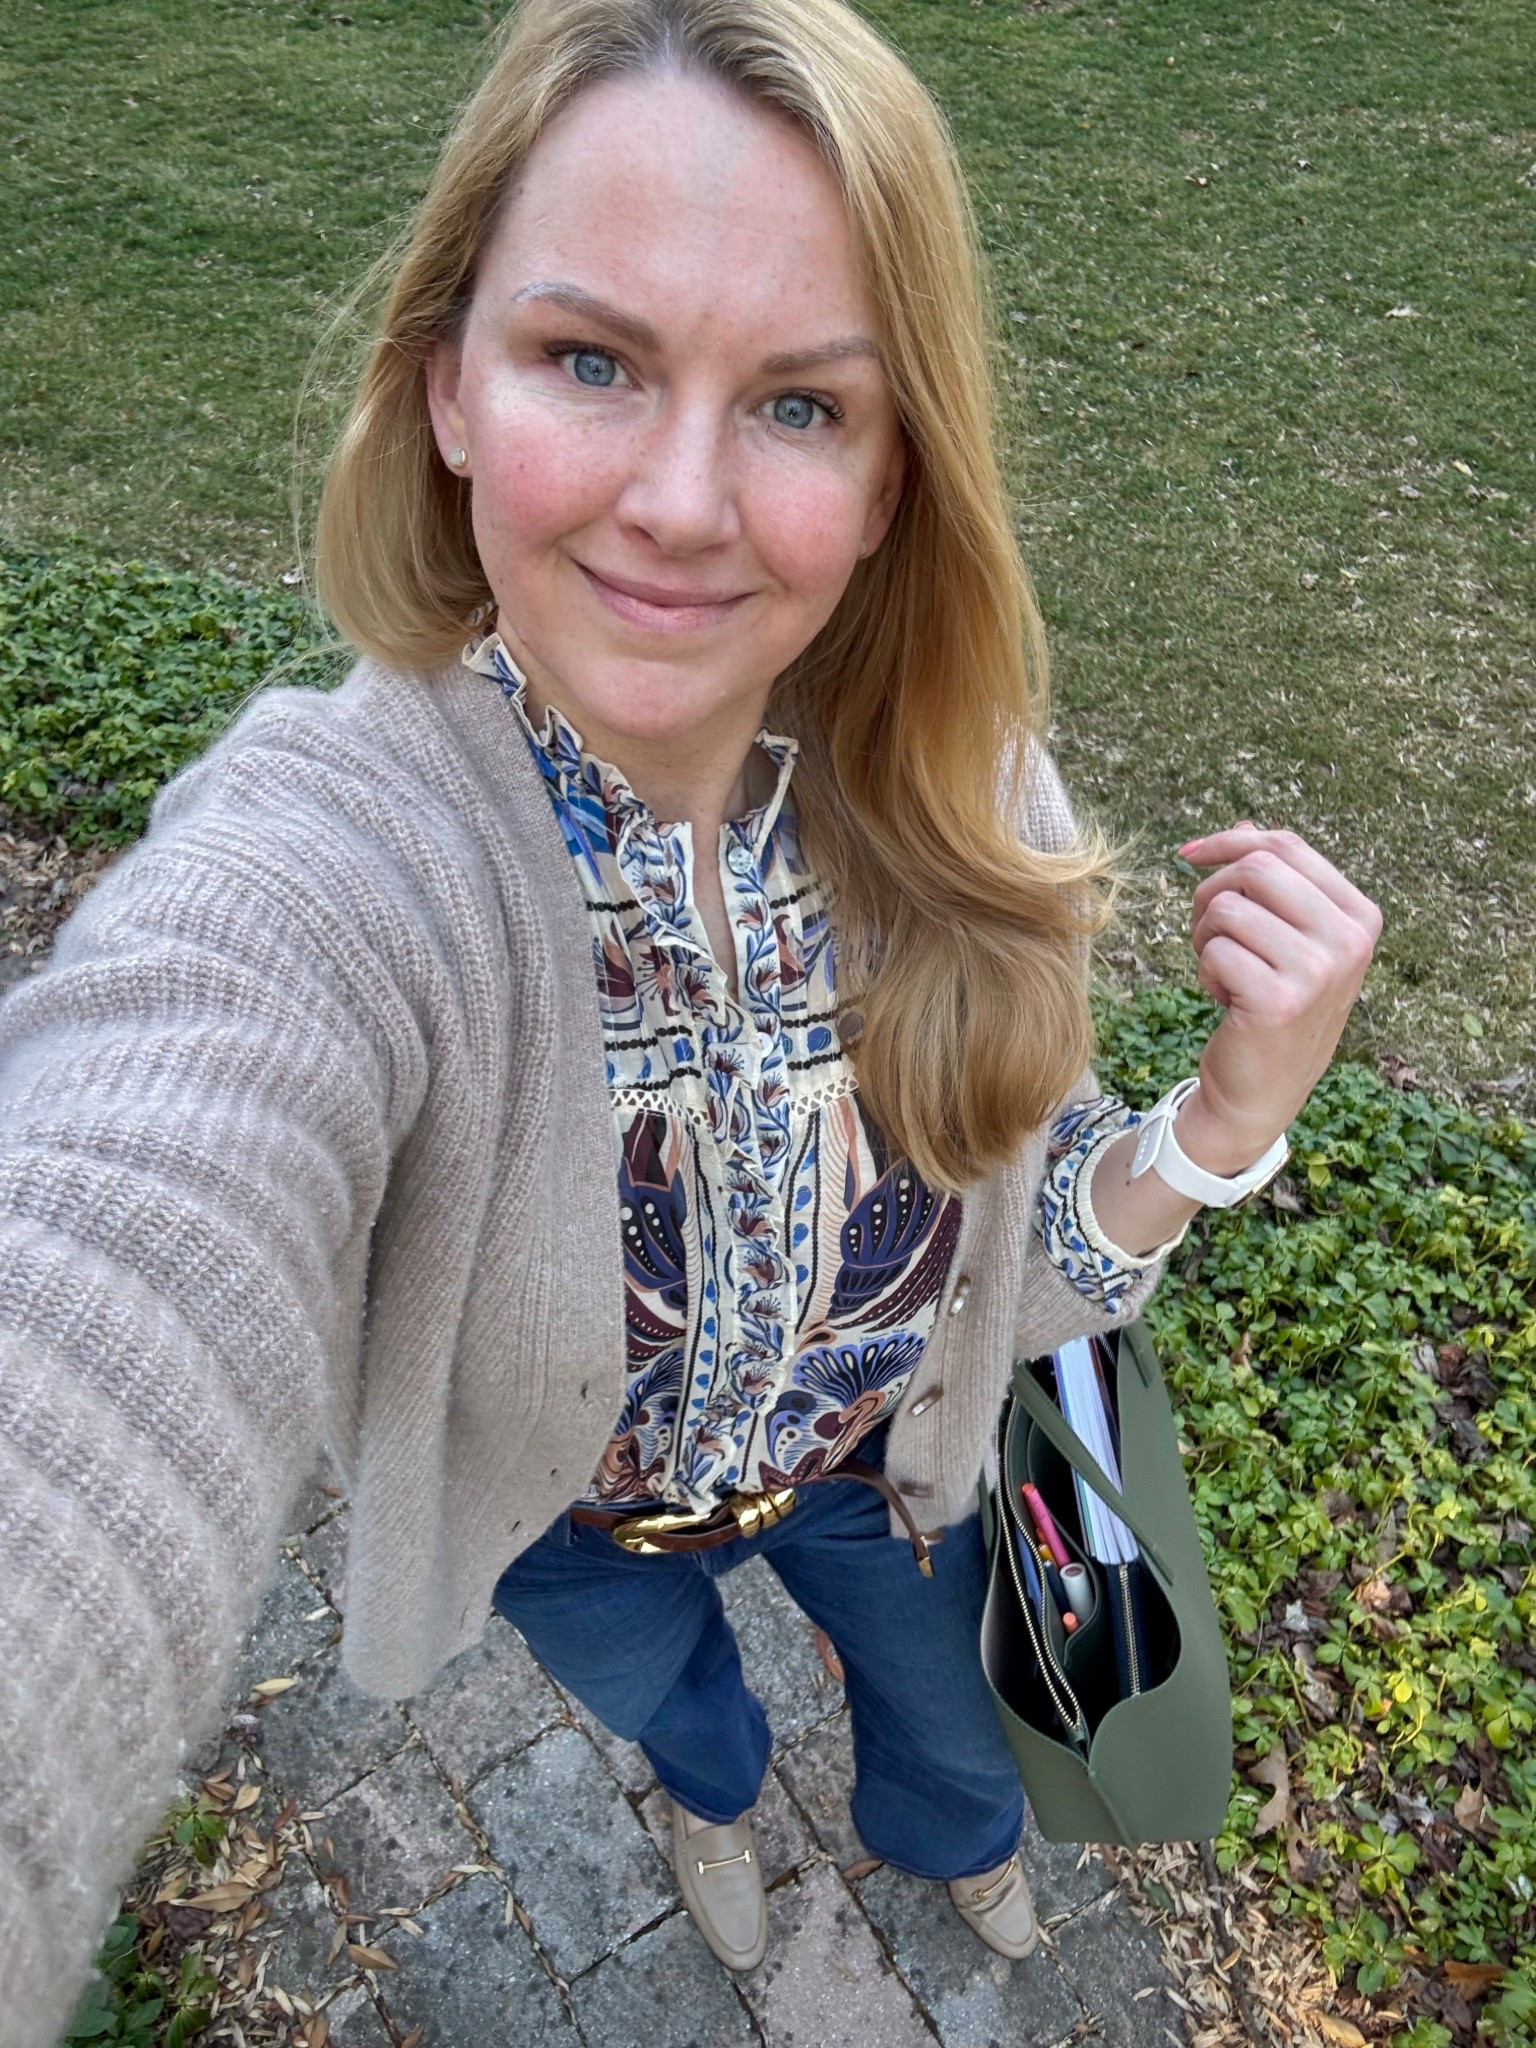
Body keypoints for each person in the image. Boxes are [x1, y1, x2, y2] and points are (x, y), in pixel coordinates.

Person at [0, 0, 1381, 2032]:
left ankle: (964, 1849)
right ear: (446, 384)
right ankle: (708, 1803)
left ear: (899, 469)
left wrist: (1223, 1119)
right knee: (681, 1714)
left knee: (962, 1739)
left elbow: (1036, 1279)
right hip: (572, 1539)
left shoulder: (973, 796)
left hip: (880, 1482)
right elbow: (113, 1257)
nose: (678, 500)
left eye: (803, 406)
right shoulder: (344, 861)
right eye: (591, 359)